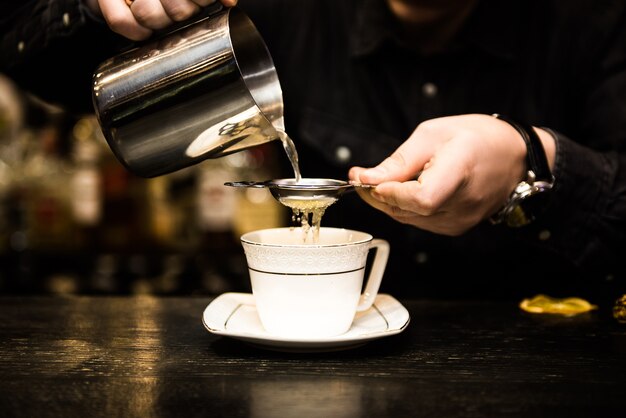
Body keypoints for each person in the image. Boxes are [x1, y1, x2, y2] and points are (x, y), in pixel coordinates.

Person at [1, 0, 625, 305]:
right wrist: (91, 7)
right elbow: (37, 60)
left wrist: (535, 162)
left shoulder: (591, 21)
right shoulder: (285, 10)